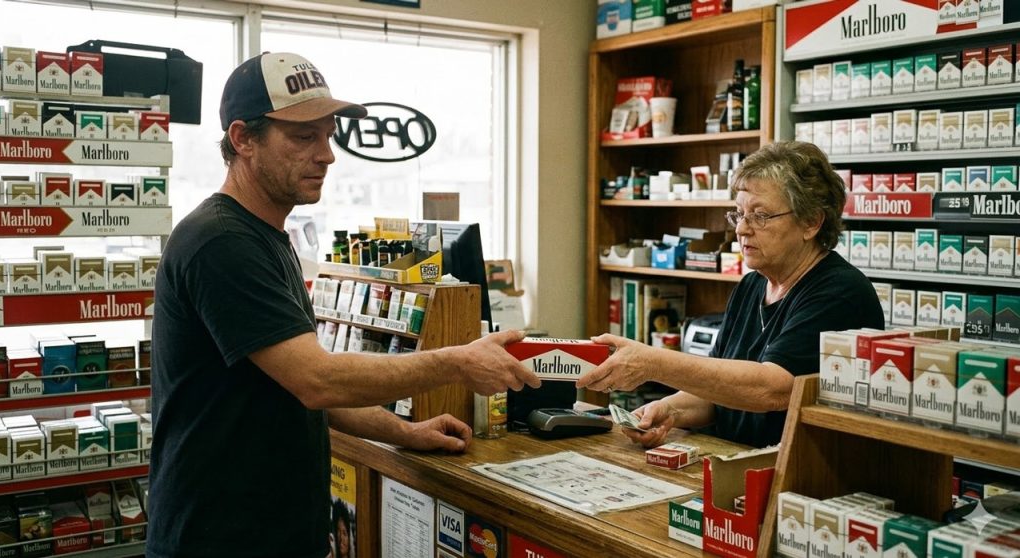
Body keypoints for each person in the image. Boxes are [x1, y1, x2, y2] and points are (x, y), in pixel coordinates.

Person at [147, 52, 540, 558]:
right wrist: (457, 362)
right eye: (303, 137)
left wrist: (405, 431)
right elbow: (317, 380)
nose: (327, 155)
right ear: (243, 139)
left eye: (328, 135)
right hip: (219, 539)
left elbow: (298, 392)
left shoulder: (265, 236)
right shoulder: (221, 242)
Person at [576, 141, 884, 448]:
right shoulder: (751, 287)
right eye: (738, 214)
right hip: (737, 465)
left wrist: (654, 364)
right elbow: (717, 392)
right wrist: (670, 409)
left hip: (799, 480)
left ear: (811, 222)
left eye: (760, 216)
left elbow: (773, 390)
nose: (742, 229)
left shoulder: (840, 293)